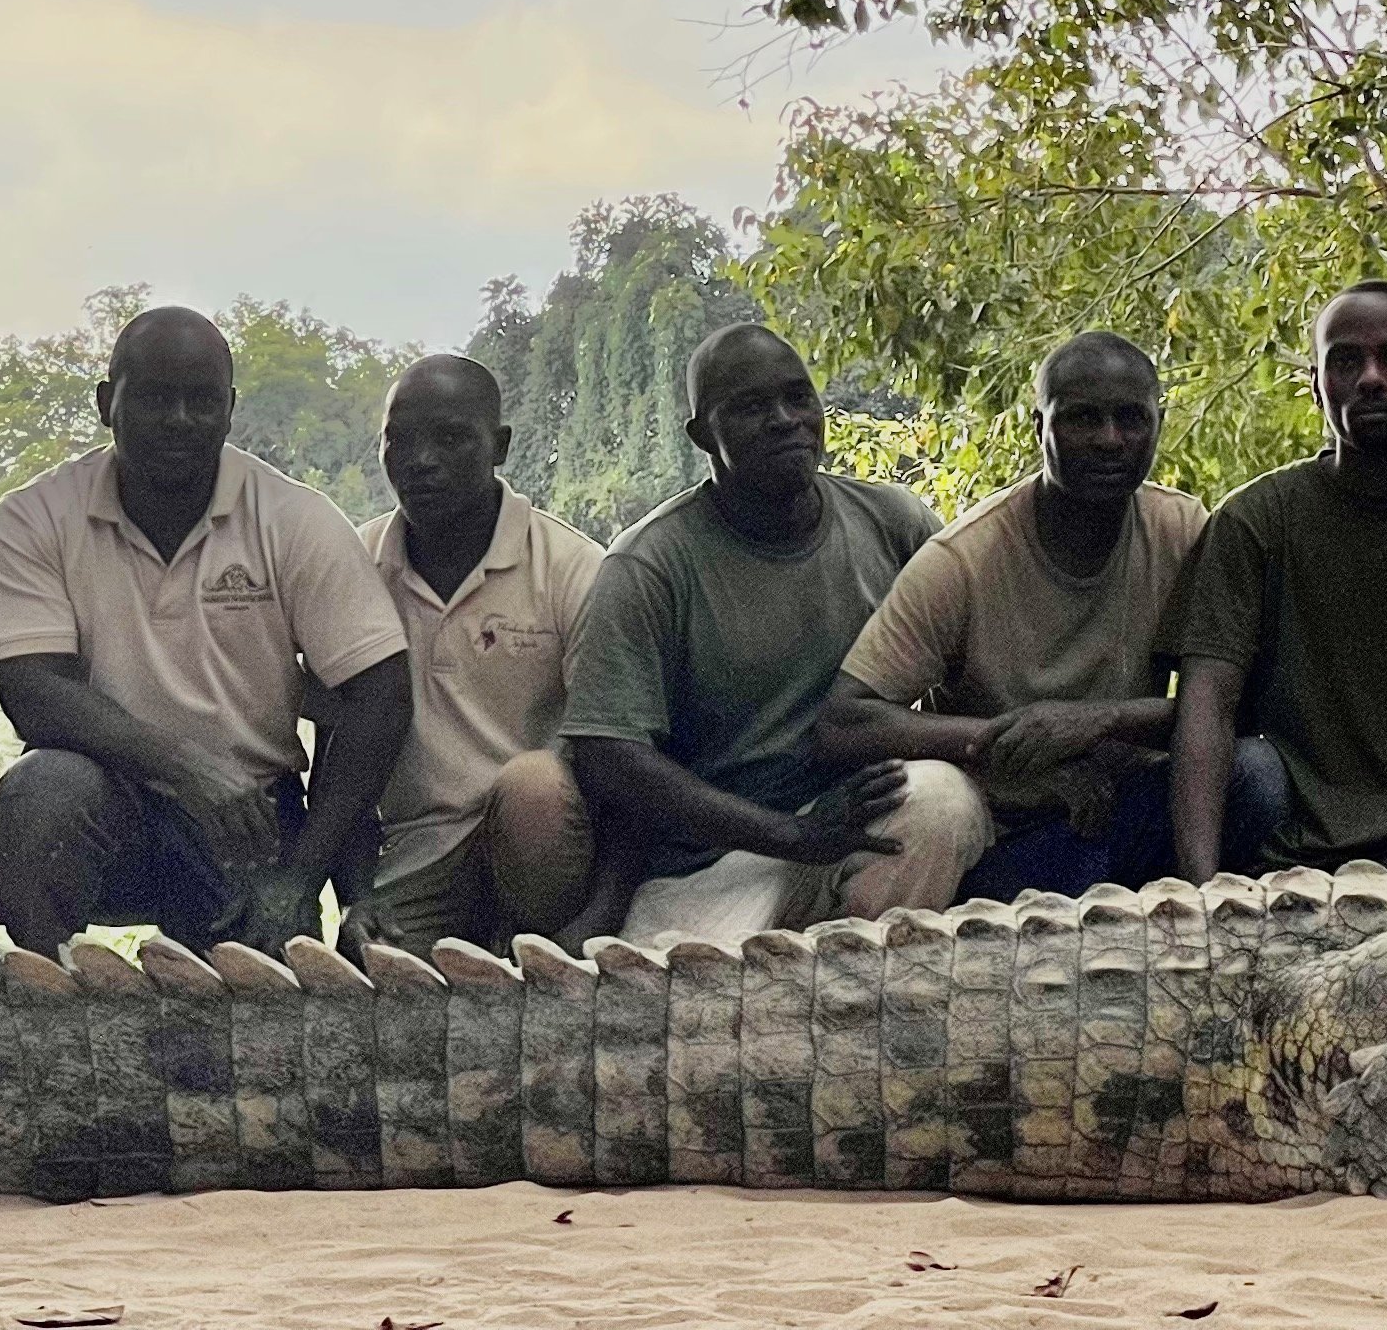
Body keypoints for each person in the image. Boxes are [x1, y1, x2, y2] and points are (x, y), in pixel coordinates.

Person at [0, 304, 414, 953]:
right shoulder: (35, 517)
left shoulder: (292, 518)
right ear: (106, 403)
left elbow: (380, 695)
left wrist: (305, 876)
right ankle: (50, 1003)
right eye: (154, 398)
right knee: (40, 794)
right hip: (105, 800)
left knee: (266, 1002)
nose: (179, 420)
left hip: (249, 816)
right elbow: (33, 692)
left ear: (230, 408)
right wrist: (185, 768)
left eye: (201, 400)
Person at [561, 321, 991, 947]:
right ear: (702, 435)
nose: (785, 420)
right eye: (751, 408)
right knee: (681, 1023)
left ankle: (858, 999)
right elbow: (610, 758)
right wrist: (791, 834)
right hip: (713, 865)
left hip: (858, 824)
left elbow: (971, 666)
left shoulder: (893, 523)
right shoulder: (648, 565)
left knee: (941, 801)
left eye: (799, 397)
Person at [814, 330, 1283, 898]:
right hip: (1004, 833)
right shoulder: (964, 559)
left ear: (1158, 424)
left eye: (1131, 419)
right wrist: (1008, 745)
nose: (1110, 440)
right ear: (1040, 428)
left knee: (1254, 773)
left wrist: (1098, 722)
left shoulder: (1182, 531)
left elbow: (1244, 699)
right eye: (1083, 419)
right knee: (933, 806)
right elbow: (845, 720)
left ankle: (1197, 921)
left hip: (1120, 802)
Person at [1167, 281, 1387, 877]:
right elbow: (1207, 704)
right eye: (1344, 360)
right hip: (1281, 842)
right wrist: (1199, 885)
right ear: (1317, 385)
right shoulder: (1254, 521)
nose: (1370, 378)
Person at [343, 354, 606, 955]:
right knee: (372, 988)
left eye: (451, 438)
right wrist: (357, 893)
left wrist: (597, 915)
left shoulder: (570, 568)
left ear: (500, 445)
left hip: (541, 844)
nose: (421, 460)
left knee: (532, 783)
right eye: (398, 440)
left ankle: (528, 942)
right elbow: (341, 750)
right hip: (419, 850)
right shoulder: (355, 567)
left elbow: (612, 751)